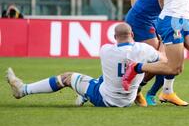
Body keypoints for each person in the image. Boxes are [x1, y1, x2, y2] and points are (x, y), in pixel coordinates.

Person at [5, 23, 161, 108]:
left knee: (66, 78)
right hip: (128, 98)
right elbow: (161, 60)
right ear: (132, 34)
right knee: (104, 78)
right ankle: (83, 93)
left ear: (115, 37)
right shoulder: (145, 49)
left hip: (106, 99)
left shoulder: (106, 50)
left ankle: (23, 90)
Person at [126, 0, 189, 107]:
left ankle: (154, 93)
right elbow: (136, 6)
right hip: (142, 22)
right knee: (160, 59)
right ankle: (135, 90)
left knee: (167, 58)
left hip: (158, 21)